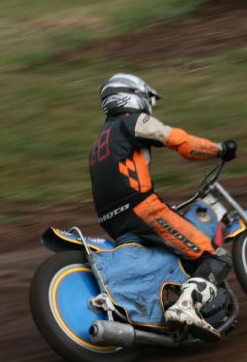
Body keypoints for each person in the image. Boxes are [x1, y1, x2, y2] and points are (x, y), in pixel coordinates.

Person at [89, 73, 237, 341]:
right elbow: (181, 142)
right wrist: (218, 149)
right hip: (142, 208)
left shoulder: (100, 140)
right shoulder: (131, 121)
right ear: (132, 96)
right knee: (216, 256)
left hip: (112, 220)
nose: (149, 105)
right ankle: (186, 307)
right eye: (147, 99)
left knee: (168, 258)